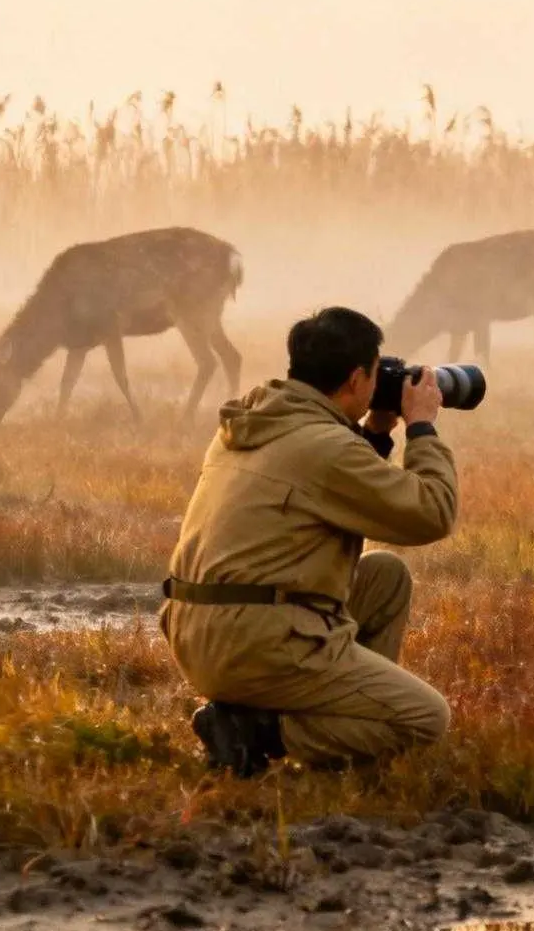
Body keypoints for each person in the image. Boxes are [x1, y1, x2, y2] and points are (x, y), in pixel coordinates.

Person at [160, 306, 457, 776]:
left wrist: (374, 432)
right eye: (378, 373)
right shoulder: (326, 447)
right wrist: (421, 425)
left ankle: (341, 722)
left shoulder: (251, 423)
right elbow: (431, 514)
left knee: (385, 576)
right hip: (254, 644)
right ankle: (259, 733)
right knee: (424, 718)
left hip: (200, 632)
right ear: (358, 378)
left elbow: (327, 489)